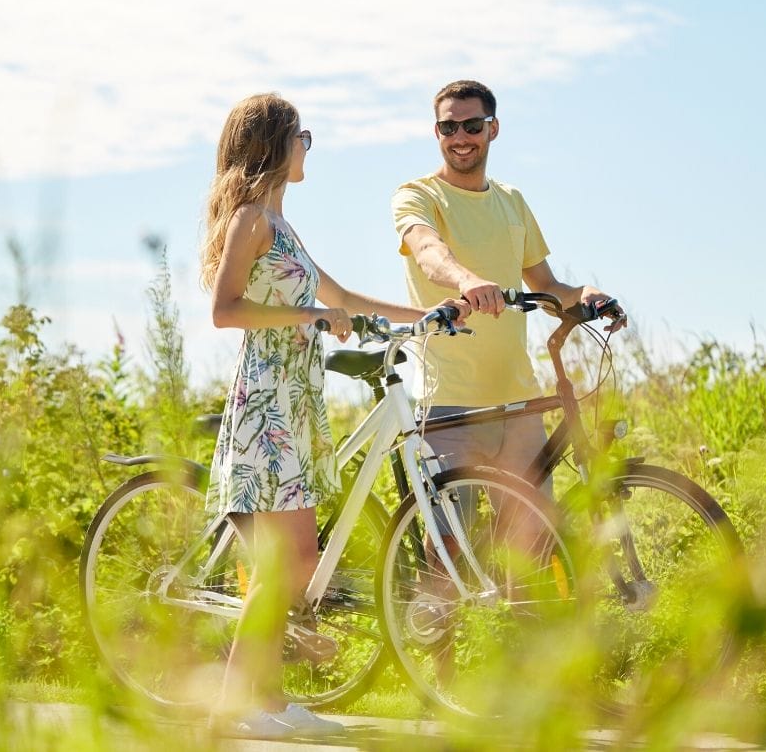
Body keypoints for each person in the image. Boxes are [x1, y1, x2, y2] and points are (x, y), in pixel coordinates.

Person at [201, 93, 467, 739]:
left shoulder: (281, 225)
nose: (307, 148)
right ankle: (233, 706)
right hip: (267, 401)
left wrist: (431, 313)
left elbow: (342, 296)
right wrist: (310, 316)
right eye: (303, 136)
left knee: (293, 559)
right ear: (274, 143)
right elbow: (224, 310)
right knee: (287, 562)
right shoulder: (249, 220)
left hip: (295, 398)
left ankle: (268, 697)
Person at [392, 79, 627, 515]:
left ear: (493, 129)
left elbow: (548, 286)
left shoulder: (512, 201)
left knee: (532, 544)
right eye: (448, 127)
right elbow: (427, 252)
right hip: (447, 403)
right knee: (451, 549)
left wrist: (588, 294)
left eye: (472, 125)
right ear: (436, 132)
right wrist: (466, 280)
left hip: (517, 402)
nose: (460, 137)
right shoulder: (418, 195)